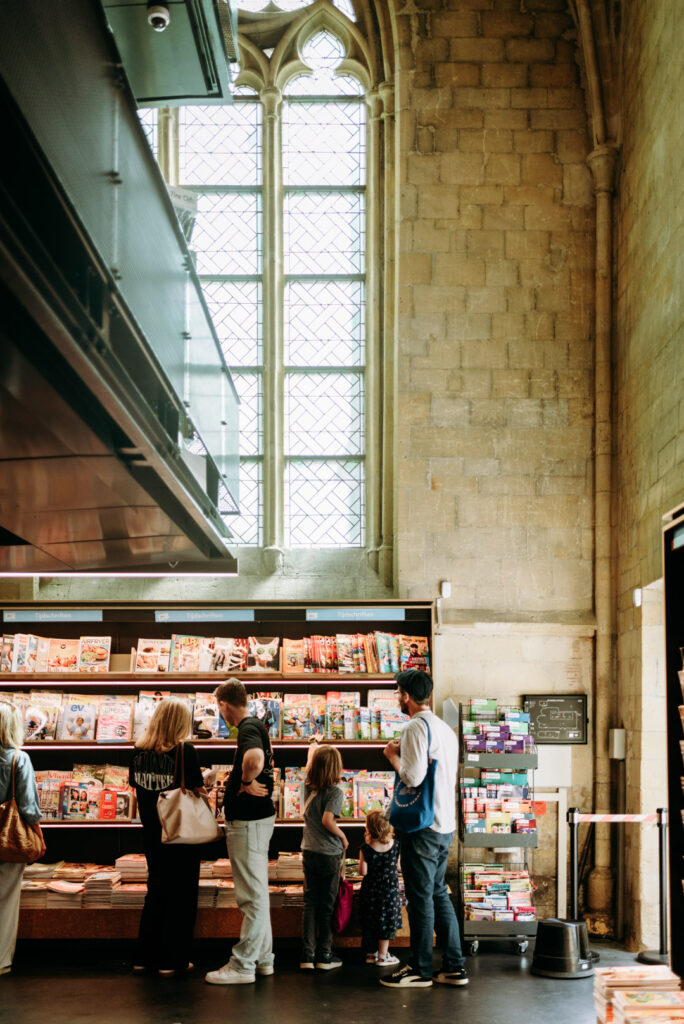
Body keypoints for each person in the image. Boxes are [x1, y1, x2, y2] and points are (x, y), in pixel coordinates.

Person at [379, 669, 468, 989]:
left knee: (420, 898)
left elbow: (413, 777)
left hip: (422, 827)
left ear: (405, 695)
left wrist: (392, 755)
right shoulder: (445, 729)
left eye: (397, 693)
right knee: (437, 893)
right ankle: (455, 966)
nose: (397, 699)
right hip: (444, 824)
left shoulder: (416, 727)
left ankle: (419, 968)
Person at [205, 679, 276, 985]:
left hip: (248, 823)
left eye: (217, 707)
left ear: (223, 703)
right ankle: (263, 959)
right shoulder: (256, 725)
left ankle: (243, 964)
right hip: (256, 822)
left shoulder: (247, 728)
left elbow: (255, 759)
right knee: (257, 893)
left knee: (251, 898)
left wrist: (245, 782)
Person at [129, 697, 204, 977]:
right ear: (180, 723)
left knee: (156, 892)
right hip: (180, 833)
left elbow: (137, 790)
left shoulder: (137, 753)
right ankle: (173, 959)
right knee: (182, 896)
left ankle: (144, 956)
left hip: (151, 832)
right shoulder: (185, 751)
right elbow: (196, 789)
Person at [0, 699, 46, 976]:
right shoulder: (18, 758)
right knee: (6, 899)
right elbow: (28, 806)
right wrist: (38, 835)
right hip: (8, 838)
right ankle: (1, 960)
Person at [300, 742, 348, 971]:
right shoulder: (335, 792)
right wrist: (343, 837)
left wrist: (313, 748)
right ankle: (324, 955)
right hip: (329, 854)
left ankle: (307, 956)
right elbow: (328, 820)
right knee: (327, 905)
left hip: (308, 851)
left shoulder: (306, 788)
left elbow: (311, 764)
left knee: (310, 904)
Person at [358, 810, 402, 967]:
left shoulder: (365, 847)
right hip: (389, 891)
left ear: (369, 828)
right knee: (387, 922)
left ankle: (370, 954)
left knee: (370, 921)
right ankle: (383, 956)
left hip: (370, 890)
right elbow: (398, 867)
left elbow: (363, 871)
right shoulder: (395, 846)